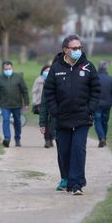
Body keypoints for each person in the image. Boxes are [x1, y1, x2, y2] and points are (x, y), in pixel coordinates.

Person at [44, 34, 100, 195]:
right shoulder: (56, 68)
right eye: (74, 48)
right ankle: (69, 179)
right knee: (65, 151)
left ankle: (77, 185)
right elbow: (49, 92)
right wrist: (55, 111)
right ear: (65, 50)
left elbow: (96, 90)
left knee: (78, 149)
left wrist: (90, 109)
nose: (78, 51)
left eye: (80, 48)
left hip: (82, 117)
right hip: (62, 118)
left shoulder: (88, 66)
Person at [0, 61, 30, 148]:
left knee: (17, 122)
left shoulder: (19, 77)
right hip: (4, 105)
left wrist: (26, 103)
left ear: (12, 68)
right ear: (3, 69)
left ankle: (17, 139)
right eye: (6, 69)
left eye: (9, 69)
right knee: (5, 120)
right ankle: (7, 139)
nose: (7, 70)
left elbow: (24, 91)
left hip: (17, 104)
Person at [94, 61, 112, 148]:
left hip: (96, 104)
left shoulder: (94, 78)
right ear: (106, 68)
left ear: (98, 68)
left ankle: (101, 138)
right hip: (107, 104)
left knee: (97, 121)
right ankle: (104, 137)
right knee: (105, 122)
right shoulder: (111, 79)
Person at [32, 65, 54, 148]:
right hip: (41, 103)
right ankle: (47, 140)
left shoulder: (54, 80)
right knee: (45, 122)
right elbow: (34, 92)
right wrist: (35, 103)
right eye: (46, 70)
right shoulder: (38, 80)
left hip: (52, 103)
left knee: (52, 121)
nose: (47, 72)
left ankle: (51, 138)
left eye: (49, 70)